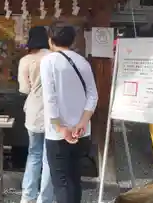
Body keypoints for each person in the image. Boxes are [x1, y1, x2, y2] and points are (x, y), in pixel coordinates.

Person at [40, 22, 98, 203]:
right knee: (74, 180)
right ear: (72, 40)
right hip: (81, 132)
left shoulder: (48, 61)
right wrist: (82, 122)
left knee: (61, 182)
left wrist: (60, 128)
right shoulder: (83, 62)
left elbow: (50, 98)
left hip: (58, 135)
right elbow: (93, 95)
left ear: (51, 40)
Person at [18, 26, 54, 203]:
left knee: (34, 153)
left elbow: (24, 89)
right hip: (54, 112)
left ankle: (28, 195)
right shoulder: (55, 58)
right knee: (49, 156)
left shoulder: (26, 60)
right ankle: (45, 198)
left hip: (34, 110)